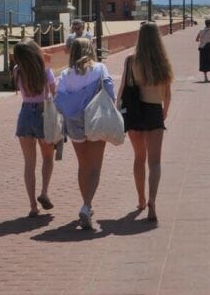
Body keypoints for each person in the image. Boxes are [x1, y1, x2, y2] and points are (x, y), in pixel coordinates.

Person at [118, 22, 174, 224]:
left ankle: (140, 199)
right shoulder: (163, 62)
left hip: (134, 112)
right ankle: (152, 201)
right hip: (153, 111)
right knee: (155, 162)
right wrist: (164, 113)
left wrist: (118, 111)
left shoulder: (131, 61)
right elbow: (167, 95)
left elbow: (123, 87)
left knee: (139, 158)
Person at [57, 38, 116, 230]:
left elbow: (59, 99)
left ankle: (86, 205)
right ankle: (86, 205)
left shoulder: (66, 75)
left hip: (74, 123)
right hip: (95, 119)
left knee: (83, 165)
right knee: (95, 167)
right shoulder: (100, 68)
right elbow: (110, 91)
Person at [12, 40, 57, 218]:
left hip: (25, 115)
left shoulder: (17, 71)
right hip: (42, 114)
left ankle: (32, 205)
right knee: (47, 157)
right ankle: (44, 192)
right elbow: (54, 92)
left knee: (29, 163)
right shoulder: (45, 70)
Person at [196, 18, 210, 82]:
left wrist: (202, 40)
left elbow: (196, 39)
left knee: (203, 61)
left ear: (205, 23)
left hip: (203, 48)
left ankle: (205, 77)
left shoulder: (201, 31)